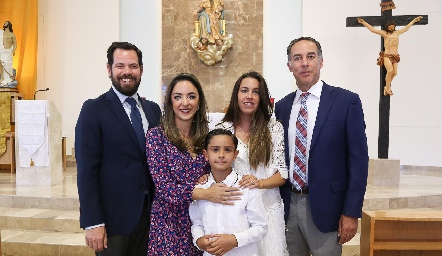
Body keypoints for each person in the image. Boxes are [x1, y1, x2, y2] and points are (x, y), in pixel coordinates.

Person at [275, 37, 368, 255]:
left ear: (321, 61)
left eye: (310, 56)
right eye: (297, 58)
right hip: (288, 205)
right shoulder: (282, 107)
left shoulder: (346, 102)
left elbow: (358, 161)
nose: (304, 63)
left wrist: (351, 212)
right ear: (290, 66)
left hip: (328, 208)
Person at [75, 42, 161, 255]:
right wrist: (93, 222)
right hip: (113, 222)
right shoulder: (94, 110)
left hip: (150, 218)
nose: (127, 72)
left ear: (141, 70)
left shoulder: (152, 110)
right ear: (109, 69)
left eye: (133, 66)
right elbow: (87, 171)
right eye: (120, 66)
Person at [147, 73, 241, 255]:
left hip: (201, 222)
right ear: (170, 102)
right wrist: (205, 193)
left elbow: (218, 168)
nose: (185, 103)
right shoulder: (156, 136)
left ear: (199, 102)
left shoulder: (206, 137)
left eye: (191, 96)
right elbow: (165, 188)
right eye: (178, 97)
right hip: (169, 224)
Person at [216, 71, 289, 255]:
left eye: (255, 92)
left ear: (262, 97)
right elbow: (216, 168)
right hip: (236, 212)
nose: (249, 96)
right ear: (236, 95)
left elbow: (282, 173)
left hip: (268, 210)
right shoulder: (223, 129)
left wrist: (258, 183)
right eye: (244, 90)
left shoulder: (273, 128)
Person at [189, 128, 268, 256]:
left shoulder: (246, 187)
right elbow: (197, 222)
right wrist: (199, 240)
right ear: (205, 154)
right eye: (215, 149)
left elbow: (261, 227)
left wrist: (235, 240)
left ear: (235, 154)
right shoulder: (201, 189)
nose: (221, 155)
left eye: (227, 150)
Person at [358, 16, 422, 96]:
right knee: (390, 71)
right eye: (390, 27)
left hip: (395, 56)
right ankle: (388, 88)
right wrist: (363, 22)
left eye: (393, 27)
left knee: (395, 73)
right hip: (387, 56)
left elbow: (406, 28)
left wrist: (414, 20)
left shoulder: (397, 33)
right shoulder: (385, 34)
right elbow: (373, 29)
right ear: (387, 27)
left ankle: (386, 87)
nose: (391, 29)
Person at [0, 21, 17, 87]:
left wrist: (14, 50)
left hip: (8, 52)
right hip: (2, 51)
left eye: (6, 23)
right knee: (2, 64)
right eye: (4, 23)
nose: (4, 24)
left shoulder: (12, 35)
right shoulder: (1, 33)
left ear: (9, 25)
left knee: (7, 64)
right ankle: (2, 79)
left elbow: (15, 43)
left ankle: (9, 79)